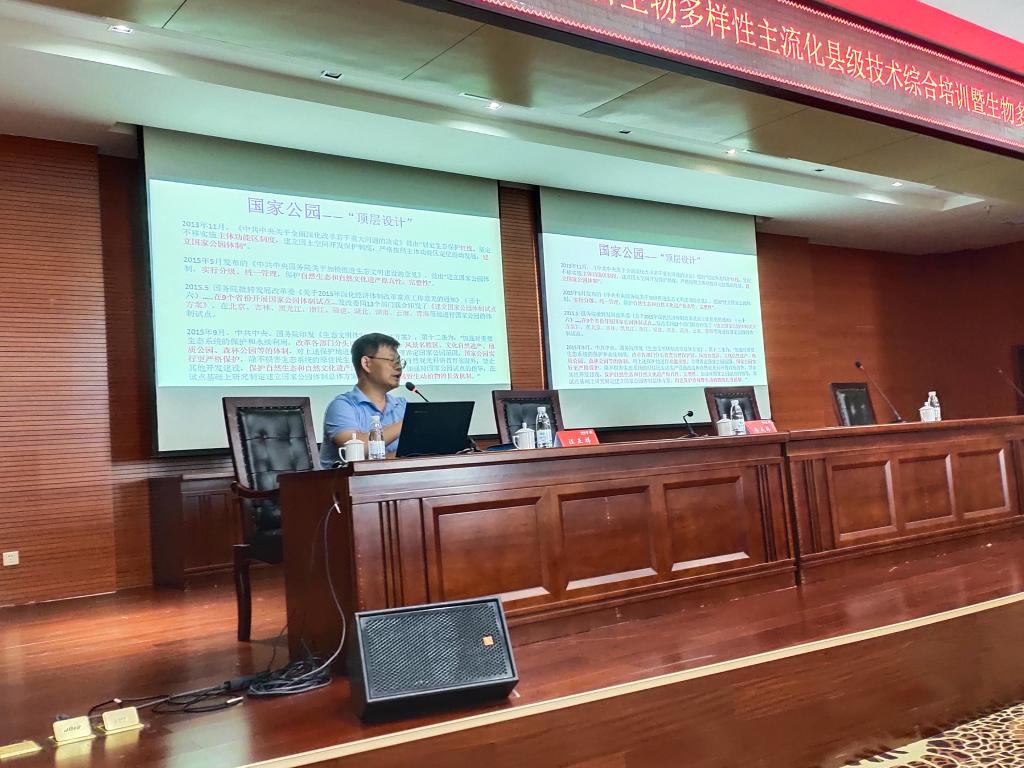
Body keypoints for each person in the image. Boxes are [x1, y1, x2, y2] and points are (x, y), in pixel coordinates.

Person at [319, 333, 407, 468]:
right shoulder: (342, 406)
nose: (399, 367)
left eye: (399, 362)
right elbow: (356, 451)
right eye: (392, 361)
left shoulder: (401, 406)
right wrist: (407, 424)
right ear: (366, 363)